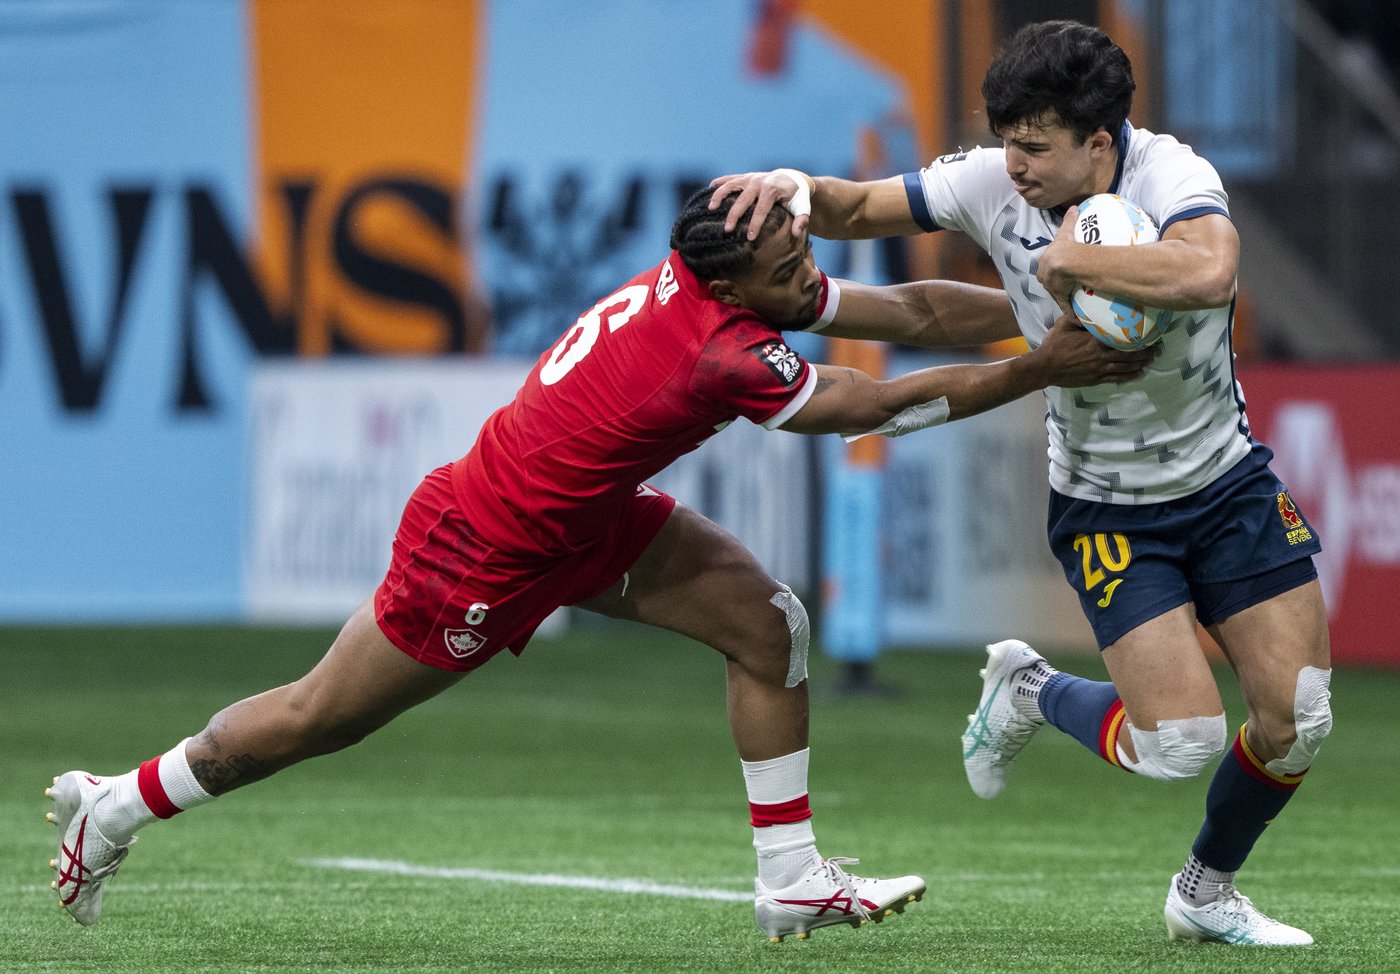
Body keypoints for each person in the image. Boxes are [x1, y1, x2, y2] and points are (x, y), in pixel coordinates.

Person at [45, 185, 1151, 942]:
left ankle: (791, 883)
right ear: (737, 280)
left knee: (768, 625)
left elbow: (907, 310)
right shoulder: (723, 351)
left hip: (583, 516)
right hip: (480, 545)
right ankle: (119, 804)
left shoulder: (727, 276)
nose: (805, 273)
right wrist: (1046, 365)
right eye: (791, 263)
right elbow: (872, 402)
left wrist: (1032, 310)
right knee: (318, 718)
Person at [711, 19, 1333, 948]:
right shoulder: (987, 182)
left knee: (1301, 719)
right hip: (1107, 503)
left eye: (1034, 147)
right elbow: (851, 208)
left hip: (1227, 481)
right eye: (1007, 140)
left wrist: (1073, 261)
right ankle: (1032, 689)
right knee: (1181, 745)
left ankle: (1203, 894)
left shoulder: (1172, 177)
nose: (1014, 165)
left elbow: (1210, 272)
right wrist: (791, 187)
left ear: (1100, 141)